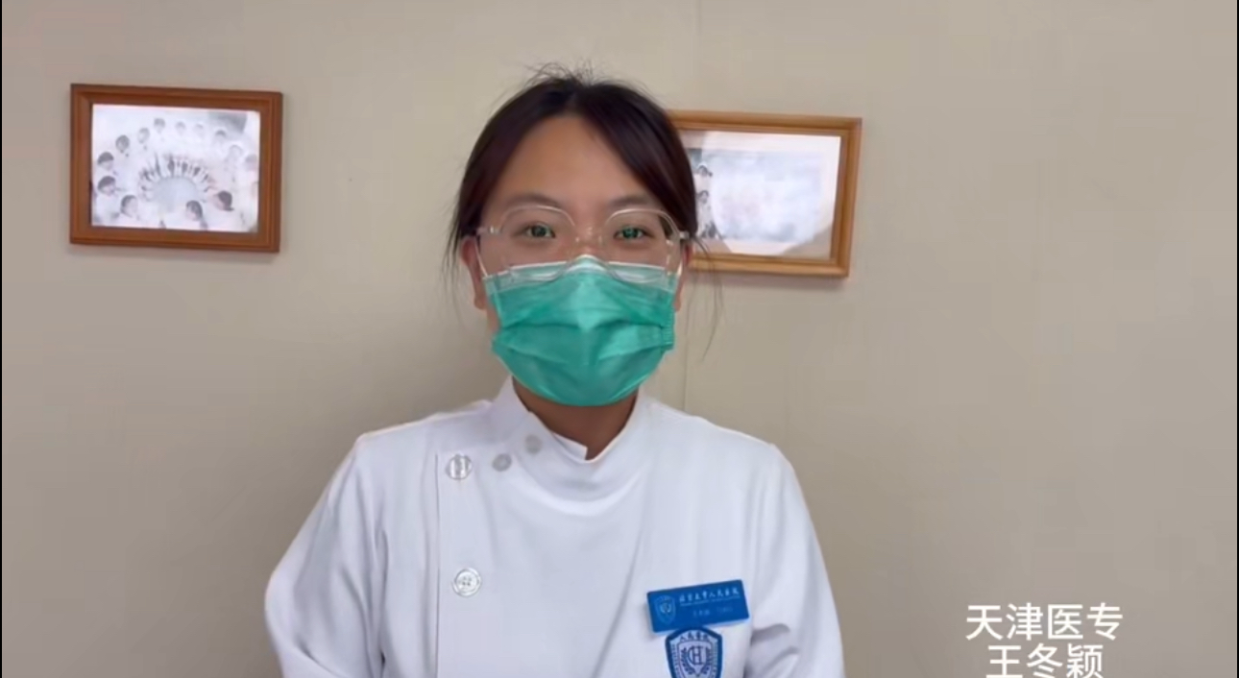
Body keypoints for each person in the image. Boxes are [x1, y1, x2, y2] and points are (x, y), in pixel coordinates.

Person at [264, 70, 846, 678]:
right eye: (538, 230)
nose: (585, 268)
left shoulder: (749, 487)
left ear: (676, 273)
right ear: (478, 270)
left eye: (631, 232)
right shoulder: (384, 483)